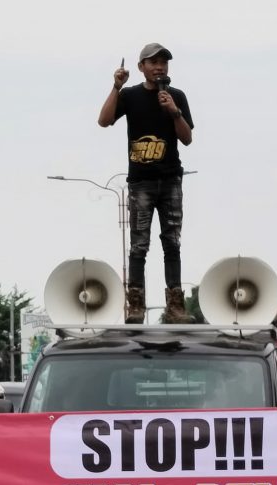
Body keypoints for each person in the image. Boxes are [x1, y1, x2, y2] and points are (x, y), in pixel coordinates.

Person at [98, 42, 194, 325]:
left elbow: (187, 138)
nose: (159, 67)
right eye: (152, 62)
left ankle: (175, 306)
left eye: (163, 62)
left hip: (171, 180)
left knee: (172, 243)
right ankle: (136, 304)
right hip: (141, 182)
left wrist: (174, 110)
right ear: (141, 67)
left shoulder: (176, 96)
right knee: (139, 245)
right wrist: (116, 87)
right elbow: (103, 121)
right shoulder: (130, 96)